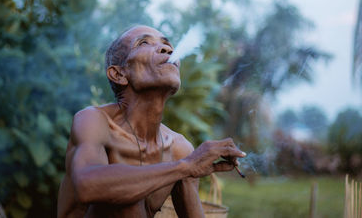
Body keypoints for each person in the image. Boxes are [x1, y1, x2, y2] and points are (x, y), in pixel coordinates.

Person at [57, 25, 246, 218]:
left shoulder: (179, 148)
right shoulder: (94, 120)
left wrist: (187, 165)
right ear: (119, 74)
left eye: (167, 45)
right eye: (144, 43)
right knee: (126, 194)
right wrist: (186, 166)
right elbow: (87, 186)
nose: (167, 50)